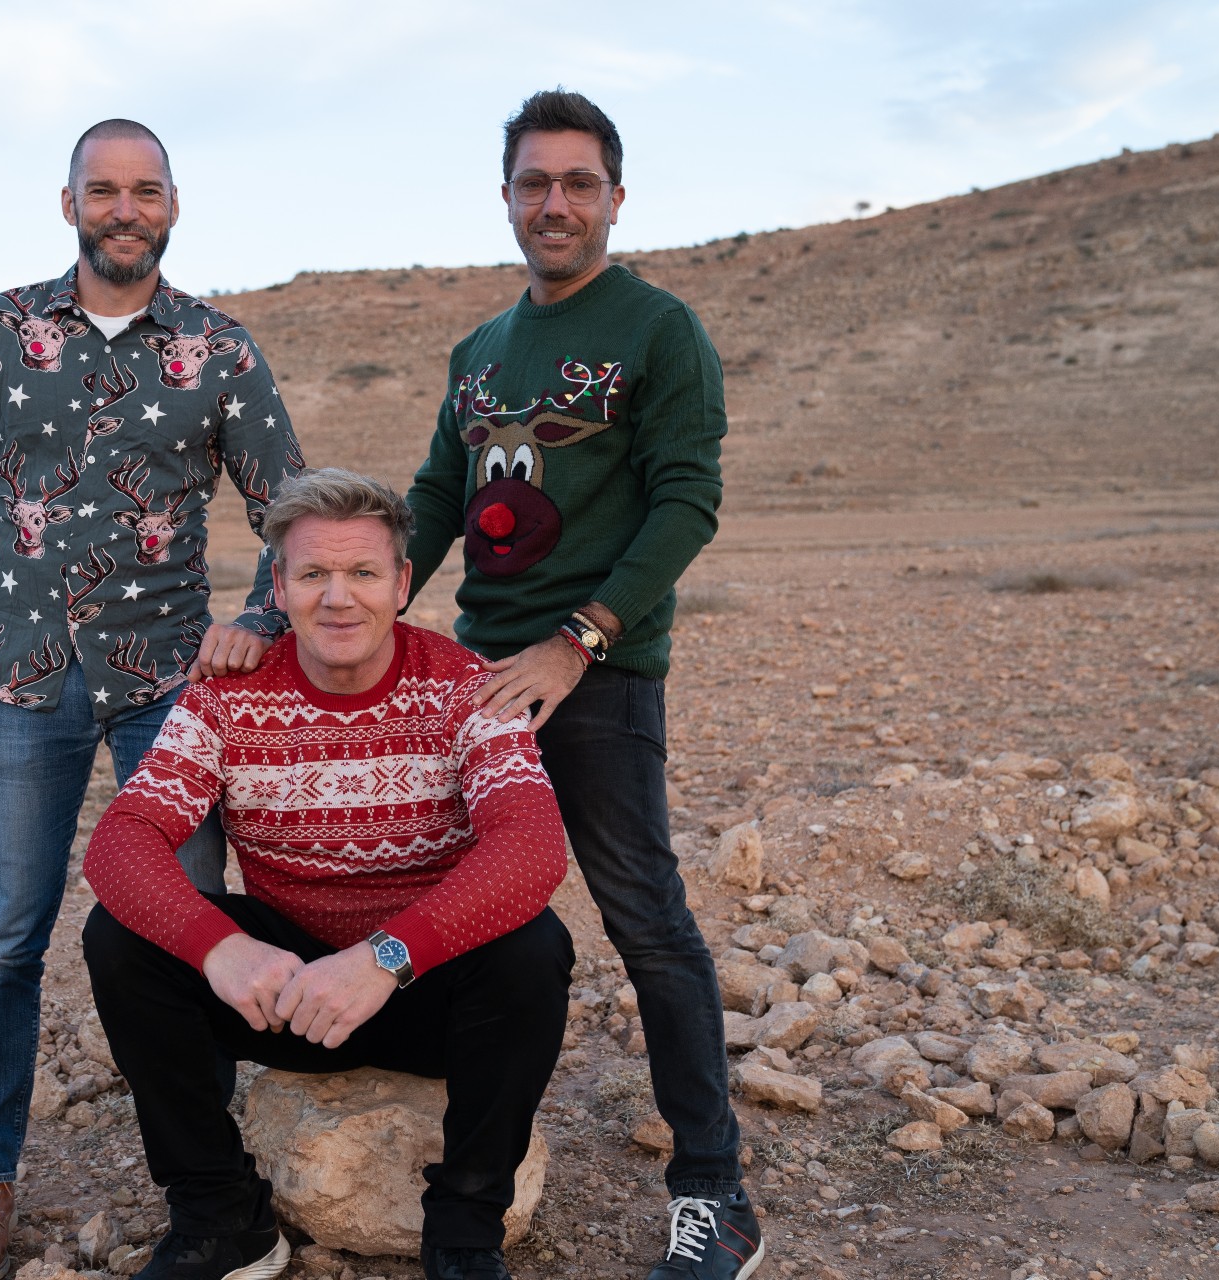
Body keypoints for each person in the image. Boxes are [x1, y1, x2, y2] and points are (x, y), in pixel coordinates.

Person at [0, 118, 303, 1280]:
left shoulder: (221, 350)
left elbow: (297, 512)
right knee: (7, 934)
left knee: (183, 925)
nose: (125, 208)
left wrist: (260, 619)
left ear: (174, 205)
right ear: (67, 201)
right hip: (24, 678)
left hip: (174, 686)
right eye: (103, 190)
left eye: (146, 191)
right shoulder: (0, 330)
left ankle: (211, 1188)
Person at [403, 90, 763, 1280]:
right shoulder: (481, 352)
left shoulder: (659, 330)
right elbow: (440, 503)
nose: (554, 203)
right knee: (462, 919)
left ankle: (714, 1190)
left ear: (616, 194)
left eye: (578, 182)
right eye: (532, 183)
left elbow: (686, 503)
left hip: (595, 676)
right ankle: (459, 1175)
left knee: (645, 919)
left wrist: (579, 640)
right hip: (475, 676)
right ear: (505, 195)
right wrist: (345, 604)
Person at [81, 469, 575, 1280]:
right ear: (279, 586)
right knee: (120, 938)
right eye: (313, 574)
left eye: (363, 573)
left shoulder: (466, 687)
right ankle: (221, 1217)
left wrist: (386, 957)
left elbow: (531, 847)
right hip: (291, 994)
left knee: (533, 946)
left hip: (427, 992)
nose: (338, 598)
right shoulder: (224, 703)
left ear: (403, 583)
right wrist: (220, 949)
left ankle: (463, 1232)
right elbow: (123, 839)